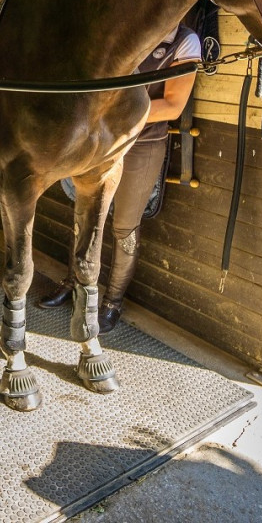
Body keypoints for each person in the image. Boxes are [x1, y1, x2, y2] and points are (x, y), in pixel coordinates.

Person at [38, 22, 200, 333]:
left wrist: (108, 114)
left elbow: (172, 106)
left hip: (144, 144)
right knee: (85, 213)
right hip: (101, 139)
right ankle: (74, 282)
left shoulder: (185, 41)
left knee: (124, 226)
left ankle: (112, 302)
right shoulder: (130, 29)